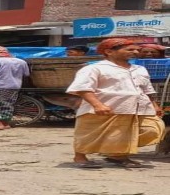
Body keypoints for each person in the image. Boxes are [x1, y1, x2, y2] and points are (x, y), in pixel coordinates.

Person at [67, 38, 165, 168]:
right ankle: (80, 157)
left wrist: (154, 104)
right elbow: (82, 88)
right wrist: (97, 105)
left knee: (151, 130)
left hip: (138, 107)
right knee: (90, 134)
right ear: (109, 52)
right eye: (130, 49)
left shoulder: (139, 69)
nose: (135, 51)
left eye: (137, 49)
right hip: (103, 108)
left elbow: (147, 89)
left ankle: (115, 155)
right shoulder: (94, 68)